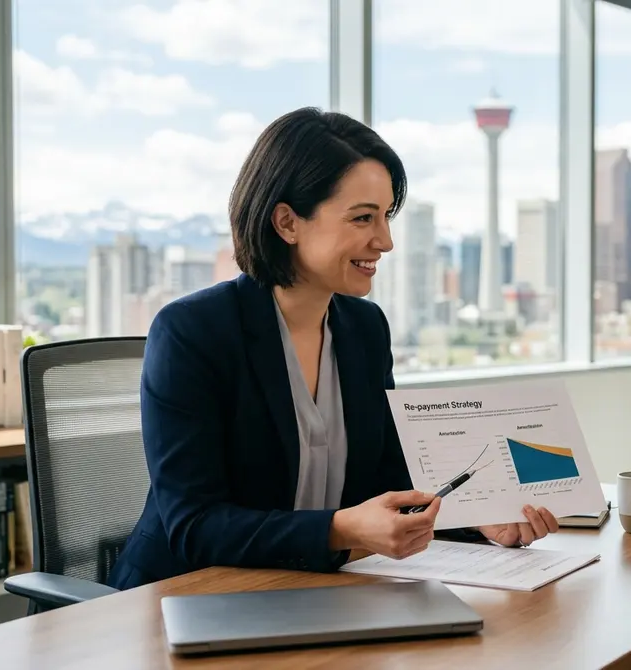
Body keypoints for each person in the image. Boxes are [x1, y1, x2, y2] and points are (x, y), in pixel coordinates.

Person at [108, 108, 558, 590]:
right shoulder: (192, 332)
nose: (384, 241)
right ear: (287, 222)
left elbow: (387, 482)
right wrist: (339, 529)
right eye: (363, 218)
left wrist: (478, 519)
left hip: (310, 591)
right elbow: (194, 526)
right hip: (186, 599)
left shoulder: (364, 328)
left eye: (386, 217)